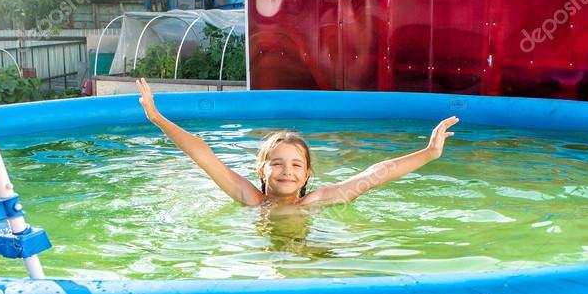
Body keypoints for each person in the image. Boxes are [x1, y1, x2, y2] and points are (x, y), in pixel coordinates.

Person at [135, 78, 458, 207]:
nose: (286, 171)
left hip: (312, 253)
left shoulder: (314, 202)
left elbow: (374, 174)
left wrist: (429, 153)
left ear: (307, 175)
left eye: (295, 165)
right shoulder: (251, 199)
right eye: (277, 163)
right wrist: (157, 118)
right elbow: (204, 155)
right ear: (261, 170)